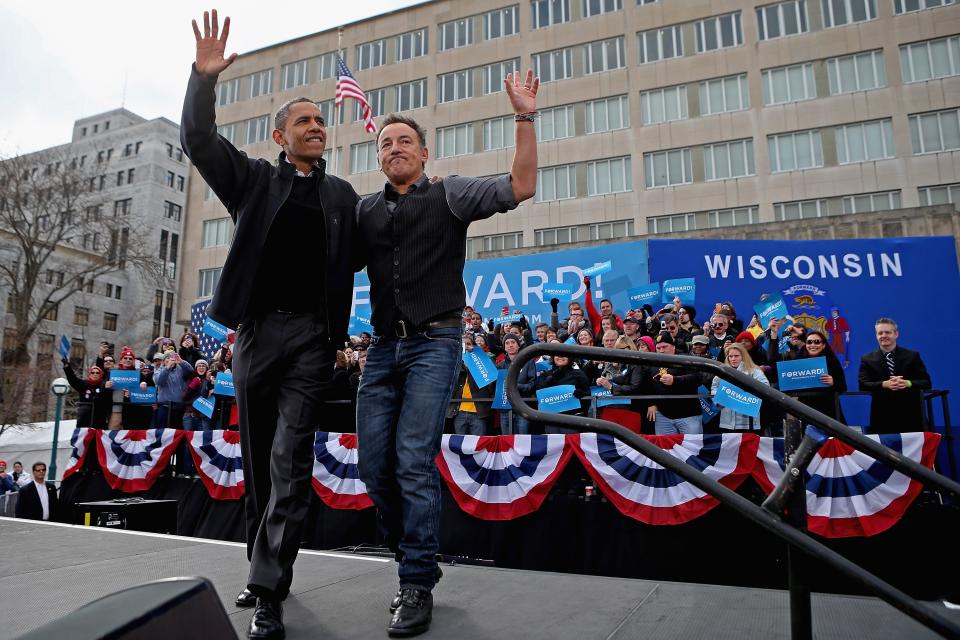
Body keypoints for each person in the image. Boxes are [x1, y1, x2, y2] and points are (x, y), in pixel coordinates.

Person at [183, 10, 364, 639]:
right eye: (304, 121)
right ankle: (266, 571)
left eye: (321, 120)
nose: (316, 126)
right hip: (256, 337)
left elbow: (389, 240)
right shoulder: (255, 182)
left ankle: (267, 594)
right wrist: (203, 82)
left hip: (313, 343)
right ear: (279, 134)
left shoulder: (344, 197)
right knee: (260, 466)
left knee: (291, 461)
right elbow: (200, 142)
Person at [355, 67, 538, 637]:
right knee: (372, 465)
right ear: (379, 158)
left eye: (404, 140)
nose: (394, 149)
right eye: (385, 143)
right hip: (382, 350)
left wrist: (524, 116)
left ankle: (415, 581)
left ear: (424, 153)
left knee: (413, 457)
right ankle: (412, 544)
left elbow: (521, 186)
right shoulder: (363, 212)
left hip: (436, 341)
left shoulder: (451, 193)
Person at [858, 318, 931, 434]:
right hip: (882, 417)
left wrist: (907, 383)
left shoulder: (912, 356)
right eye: (880, 333)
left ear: (896, 334)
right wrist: (884, 384)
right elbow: (863, 384)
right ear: (876, 335)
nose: (883, 335)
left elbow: (926, 382)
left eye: (887, 332)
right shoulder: (867, 359)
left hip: (911, 415)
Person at [648, 333, 703, 435]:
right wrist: (651, 403)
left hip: (688, 415)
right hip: (663, 416)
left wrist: (675, 380)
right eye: (658, 348)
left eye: (664, 347)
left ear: (673, 347)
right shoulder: (653, 363)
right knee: (664, 449)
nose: (661, 350)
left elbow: (698, 378)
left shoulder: (685, 359)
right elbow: (648, 384)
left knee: (692, 448)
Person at [711, 343, 770, 432]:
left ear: (743, 356)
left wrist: (749, 397)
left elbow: (765, 387)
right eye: (730, 356)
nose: (733, 359)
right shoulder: (722, 372)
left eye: (736, 356)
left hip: (749, 422)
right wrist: (719, 401)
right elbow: (714, 387)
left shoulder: (754, 371)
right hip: (727, 422)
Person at [449, 335, 494, 436]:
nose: (466, 347)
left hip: (478, 413)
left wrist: (476, 355)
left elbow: (491, 380)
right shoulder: (455, 364)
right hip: (459, 412)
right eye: (463, 345)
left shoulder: (483, 362)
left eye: (468, 344)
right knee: (459, 447)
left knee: (478, 446)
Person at [61, 360, 111, 429]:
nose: (95, 374)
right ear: (89, 374)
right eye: (93, 372)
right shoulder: (84, 385)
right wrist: (67, 367)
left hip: (99, 423)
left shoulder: (104, 386)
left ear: (101, 375)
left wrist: (106, 389)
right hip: (84, 422)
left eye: (97, 373)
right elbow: (72, 379)